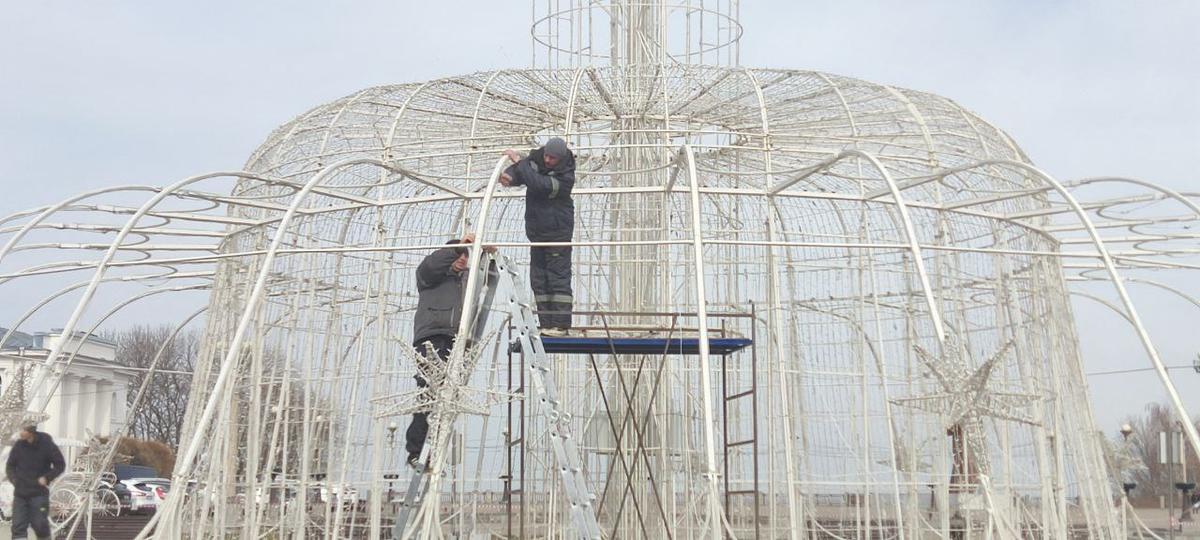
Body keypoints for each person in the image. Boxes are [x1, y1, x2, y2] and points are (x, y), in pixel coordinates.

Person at [407, 233, 495, 468]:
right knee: (429, 389)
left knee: (449, 395)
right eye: (459, 255)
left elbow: (487, 278)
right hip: (432, 336)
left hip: (457, 340)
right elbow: (433, 265)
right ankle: (417, 450)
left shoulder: (465, 281)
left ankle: (433, 447)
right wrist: (459, 247)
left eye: (466, 256)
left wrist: (485, 254)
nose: (462, 260)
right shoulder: (429, 277)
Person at [499, 137, 576, 335]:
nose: (549, 160)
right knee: (539, 279)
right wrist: (510, 176)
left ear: (561, 159)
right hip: (538, 234)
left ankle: (560, 324)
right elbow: (525, 172)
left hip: (557, 234)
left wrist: (518, 162)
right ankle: (547, 323)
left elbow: (538, 183)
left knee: (557, 278)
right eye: (547, 156)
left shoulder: (566, 177)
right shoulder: (536, 160)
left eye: (553, 158)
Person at [6, 424, 64, 539]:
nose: (20, 432)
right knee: (18, 526)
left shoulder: (47, 445)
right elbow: (10, 466)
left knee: (40, 525)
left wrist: (47, 477)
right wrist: (14, 479)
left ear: (31, 432)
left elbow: (60, 465)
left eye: (23, 430)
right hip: (20, 493)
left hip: (38, 494)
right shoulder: (19, 445)